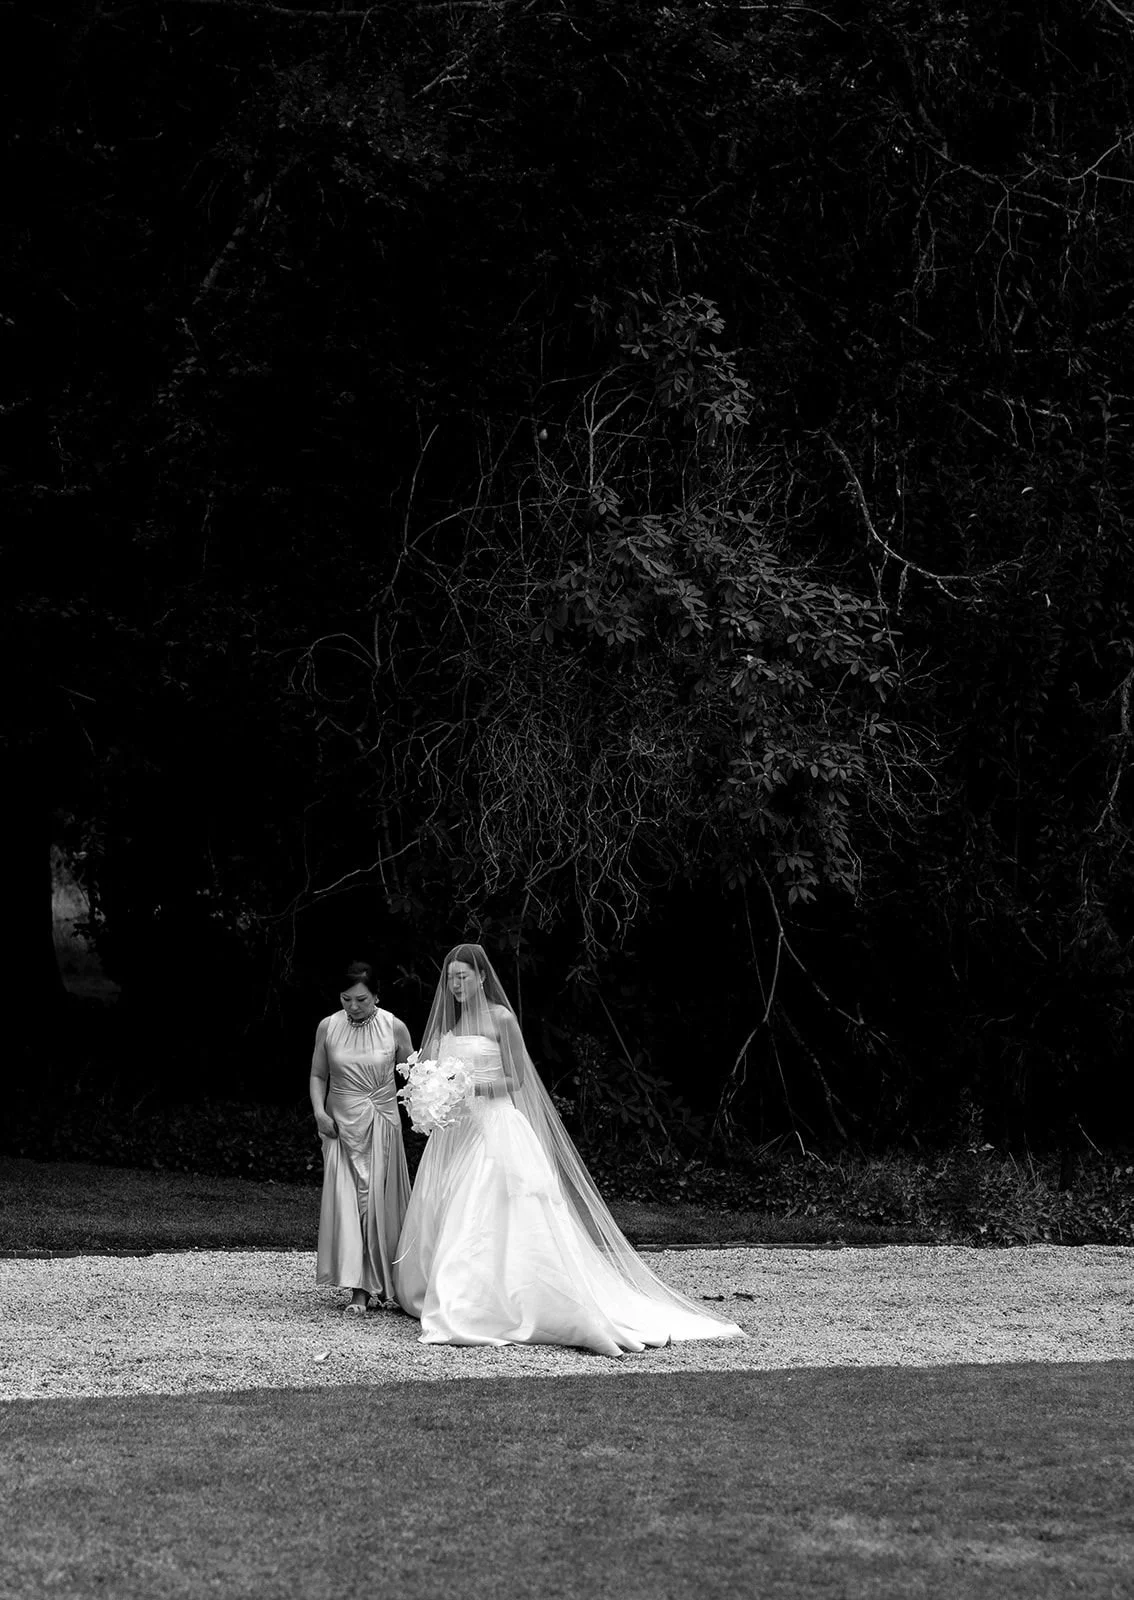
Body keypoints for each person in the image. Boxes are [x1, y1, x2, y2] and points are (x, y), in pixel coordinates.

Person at [393, 943, 744, 1356]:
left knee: (485, 1208)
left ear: (481, 976)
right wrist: (436, 1094)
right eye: (451, 978)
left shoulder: (501, 1018)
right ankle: (451, 1292)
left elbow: (516, 1079)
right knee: (450, 1206)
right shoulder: (448, 1028)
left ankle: (490, 1301)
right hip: (459, 1132)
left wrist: (470, 1086)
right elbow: (437, 1075)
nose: (455, 985)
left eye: (463, 976)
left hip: (494, 1128)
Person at [310, 961, 412, 1313]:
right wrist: (319, 1113)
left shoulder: (394, 1026)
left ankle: (370, 1287)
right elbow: (318, 1075)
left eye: (361, 1000)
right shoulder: (328, 1026)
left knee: (373, 1201)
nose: (353, 1007)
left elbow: (414, 1076)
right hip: (338, 1127)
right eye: (346, 999)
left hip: (380, 1123)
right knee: (347, 1202)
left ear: (376, 997)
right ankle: (360, 1280)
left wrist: (428, 1106)